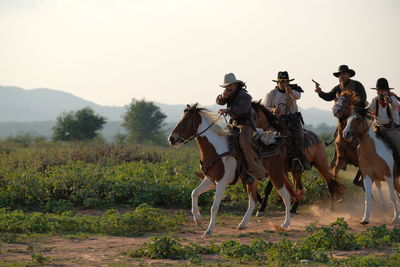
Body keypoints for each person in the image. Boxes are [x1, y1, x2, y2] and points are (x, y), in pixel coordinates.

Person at [217, 73, 266, 184]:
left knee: (244, 144)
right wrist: (222, 97)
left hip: (246, 125)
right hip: (233, 124)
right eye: (226, 86)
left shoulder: (244, 96)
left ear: (235, 84)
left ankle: (256, 171)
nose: (227, 88)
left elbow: (242, 110)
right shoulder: (229, 94)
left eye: (229, 85)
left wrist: (228, 110)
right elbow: (219, 101)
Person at [263, 71, 311, 172]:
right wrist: (272, 110)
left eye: (285, 81)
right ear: (277, 83)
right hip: (277, 120)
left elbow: (297, 96)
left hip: (292, 119)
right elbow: (265, 107)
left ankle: (298, 159)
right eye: (281, 82)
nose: (283, 83)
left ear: (288, 82)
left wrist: (290, 92)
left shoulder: (294, 90)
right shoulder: (271, 94)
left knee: (298, 136)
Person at [368, 78, 400, 157]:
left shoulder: (393, 98)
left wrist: (389, 101)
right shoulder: (375, 100)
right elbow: (368, 110)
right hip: (377, 130)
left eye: (382, 90)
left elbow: (395, 103)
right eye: (378, 90)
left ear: (387, 91)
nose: (380, 92)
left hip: (392, 130)